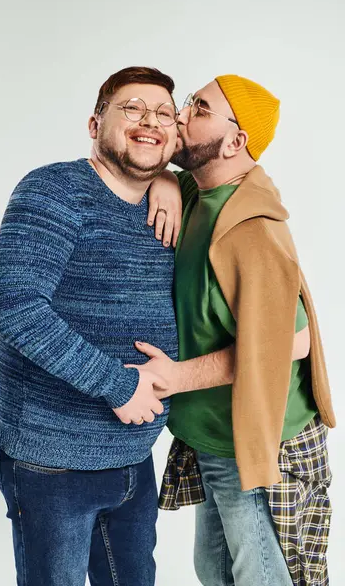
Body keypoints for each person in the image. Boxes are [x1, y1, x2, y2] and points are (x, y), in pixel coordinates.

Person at [131, 75, 336, 586]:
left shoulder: (253, 230)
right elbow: (154, 169)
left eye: (199, 109)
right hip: (214, 436)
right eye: (188, 103)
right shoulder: (202, 193)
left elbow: (293, 341)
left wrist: (175, 378)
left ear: (235, 141)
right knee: (215, 570)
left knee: (259, 577)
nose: (180, 116)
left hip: (256, 438)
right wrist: (163, 179)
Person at [0, 66, 182, 586]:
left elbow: (227, 163)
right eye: (133, 109)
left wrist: (169, 178)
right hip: (52, 462)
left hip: (135, 456)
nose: (151, 121)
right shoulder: (54, 190)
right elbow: (16, 309)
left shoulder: (170, 202)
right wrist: (118, 385)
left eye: (165, 113)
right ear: (95, 124)